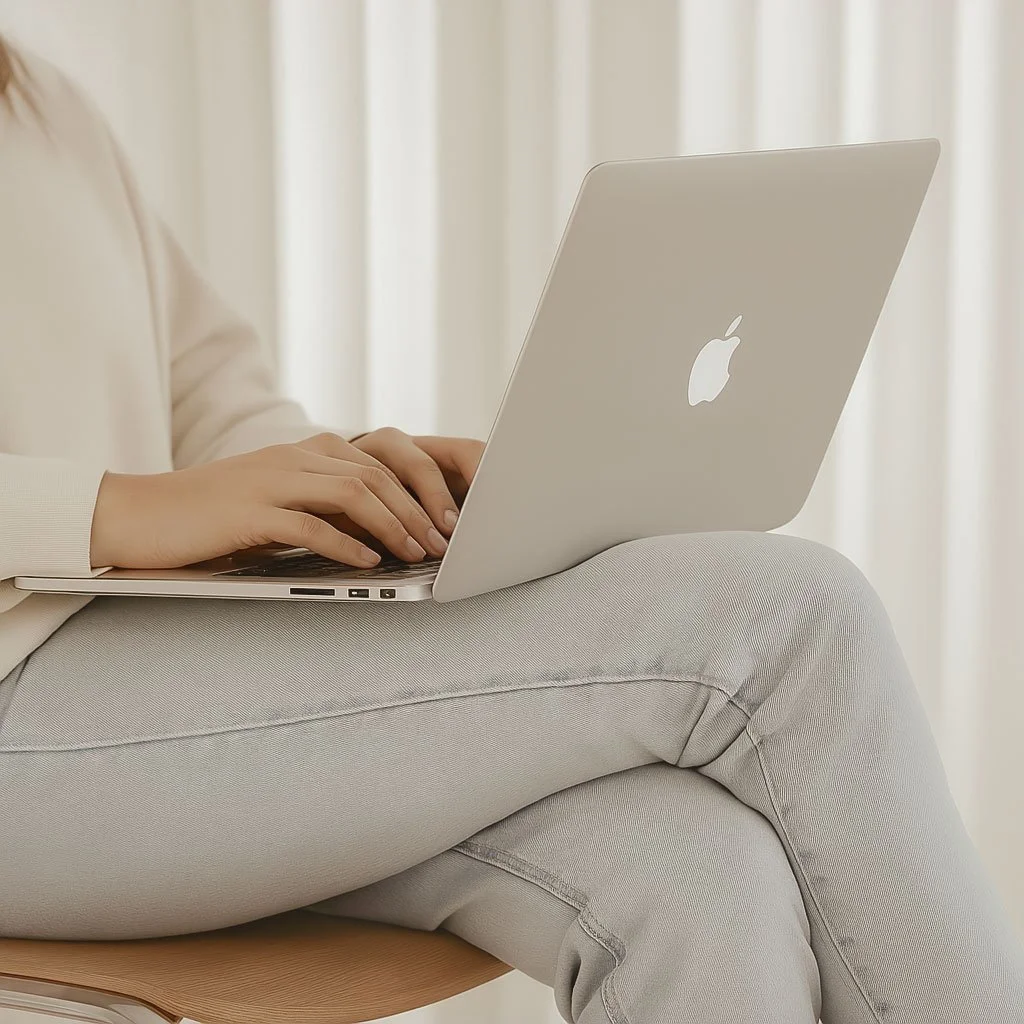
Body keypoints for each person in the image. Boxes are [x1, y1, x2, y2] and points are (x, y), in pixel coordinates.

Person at [0, 39, 1022, 1024]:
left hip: (120, 667)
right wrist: (110, 508)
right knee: (787, 617)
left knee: (695, 867)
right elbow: (134, 496)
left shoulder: (37, 101)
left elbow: (210, 399)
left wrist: (341, 479)